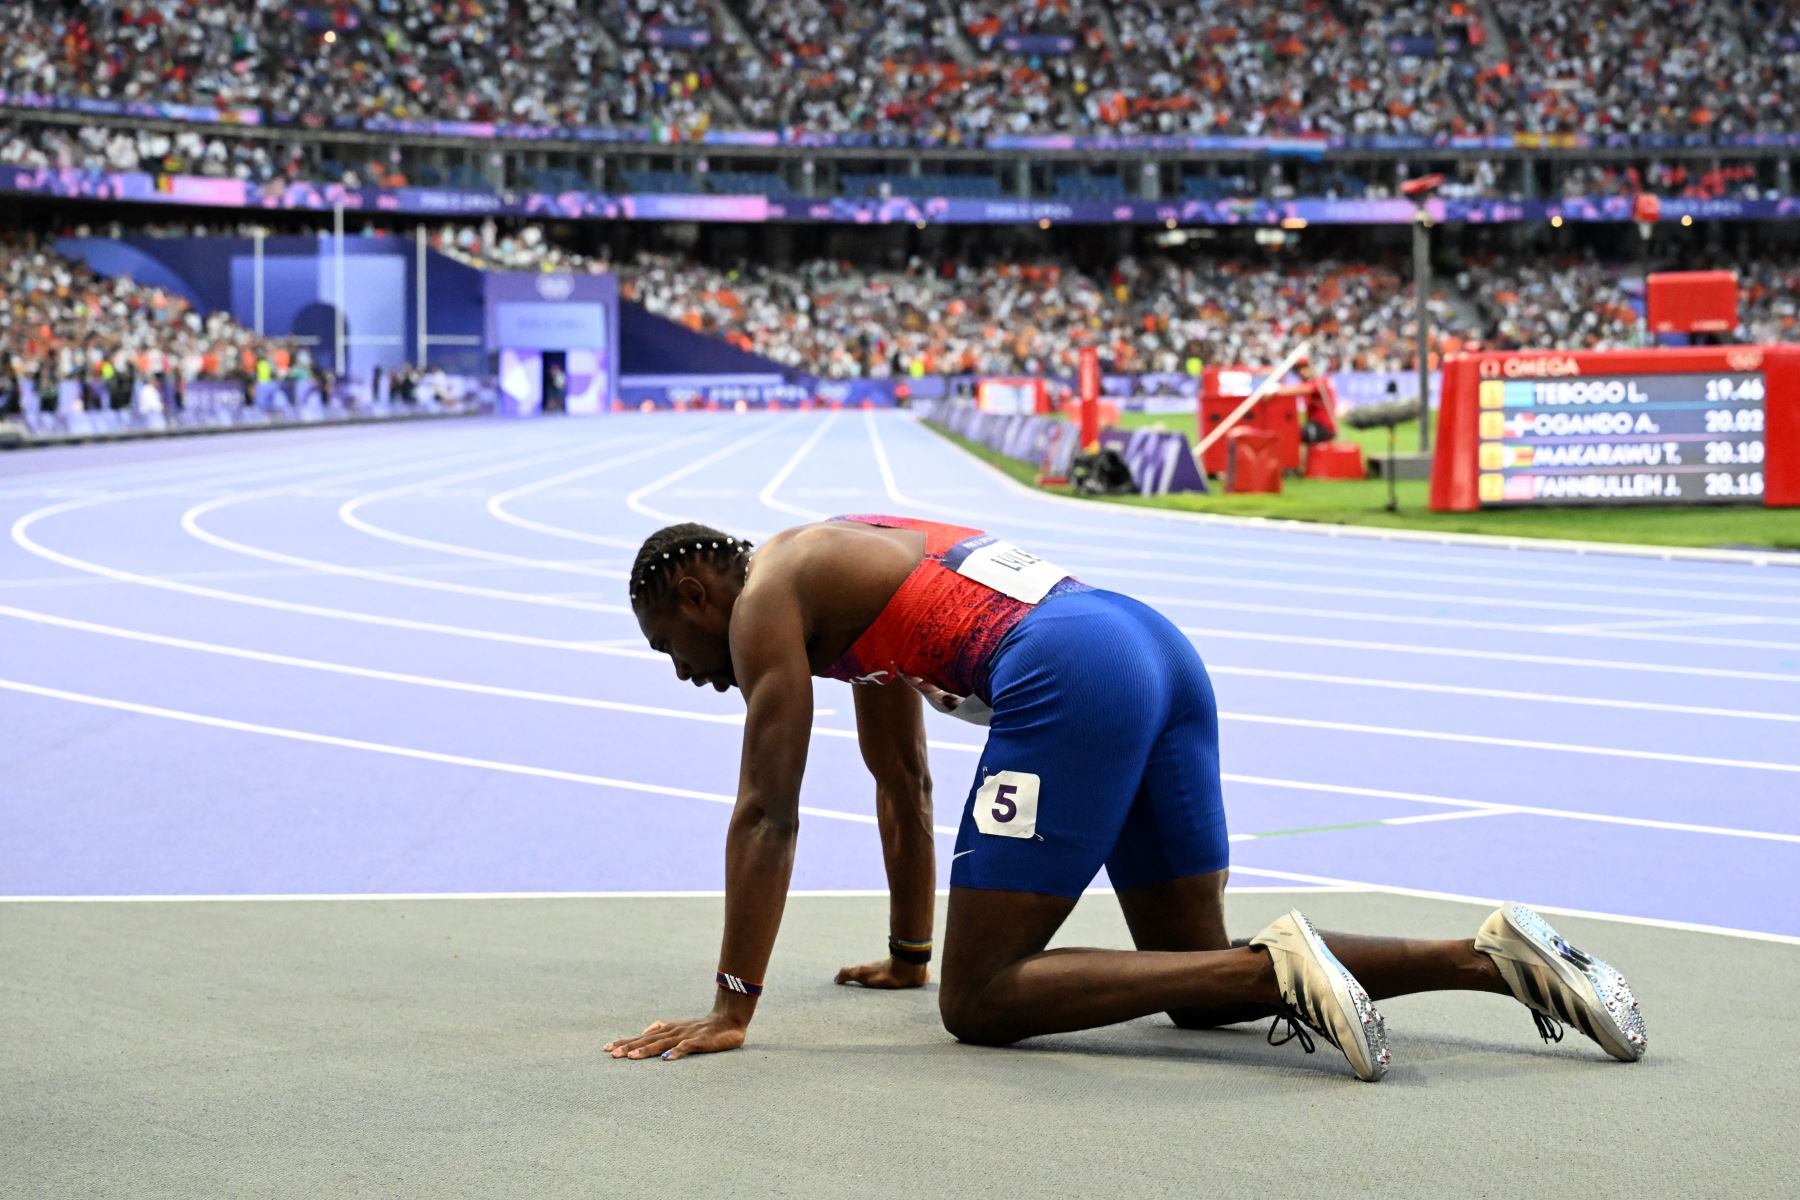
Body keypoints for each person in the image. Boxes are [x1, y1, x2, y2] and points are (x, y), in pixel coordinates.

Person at [605, 516, 1646, 1077]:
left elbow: (767, 812)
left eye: (669, 645)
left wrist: (730, 1006)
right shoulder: (834, 573)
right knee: (1194, 977)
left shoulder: (765, 602)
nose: (684, 669)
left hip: (1071, 667)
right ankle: (1491, 956)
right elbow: (903, 781)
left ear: (697, 595)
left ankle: (1285, 971)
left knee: (982, 1001)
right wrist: (909, 955)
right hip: (1149, 646)